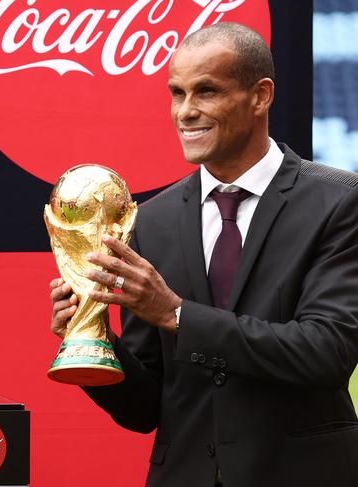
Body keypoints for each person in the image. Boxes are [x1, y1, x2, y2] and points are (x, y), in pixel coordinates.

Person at [49, 22, 358, 487]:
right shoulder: (151, 221)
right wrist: (93, 338)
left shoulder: (340, 200)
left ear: (261, 96)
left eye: (206, 92)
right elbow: (145, 408)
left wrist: (176, 314)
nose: (186, 112)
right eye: (177, 93)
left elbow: (325, 352)